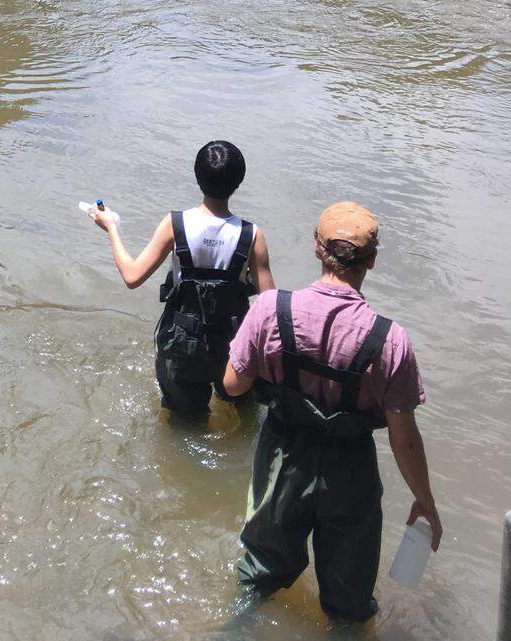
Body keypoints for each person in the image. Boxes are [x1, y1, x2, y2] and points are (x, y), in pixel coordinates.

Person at [221, 201, 443, 620]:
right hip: (351, 476)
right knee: (349, 602)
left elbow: (233, 385)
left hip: (281, 463)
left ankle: (237, 630)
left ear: (316, 248)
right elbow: (404, 438)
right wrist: (425, 500)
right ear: (372, 260)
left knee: (259, 578)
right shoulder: (390, 341)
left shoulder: (270, 310)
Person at [89, 141, 275, 414]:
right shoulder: (252, 235)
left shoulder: (175, 225)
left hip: (181, 340)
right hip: (232, 342)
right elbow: (269, 306)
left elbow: (132, 276)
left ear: (198, 178)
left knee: (184, 423)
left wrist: (111, 228)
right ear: (239, 182)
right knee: (241, 415)